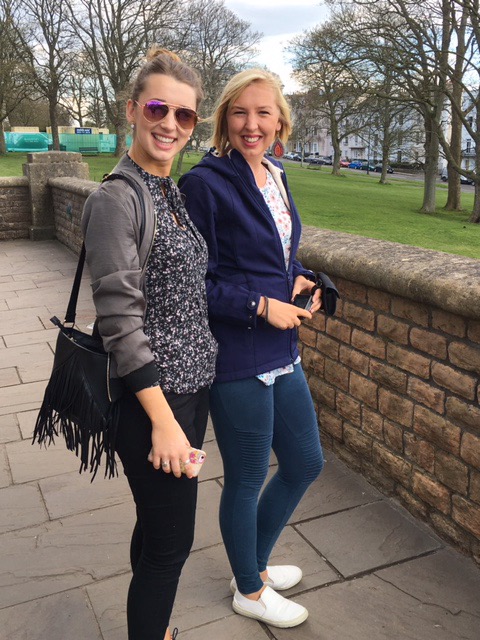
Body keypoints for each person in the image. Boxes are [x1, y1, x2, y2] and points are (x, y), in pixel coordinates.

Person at [179, 69, 324, 628]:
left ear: (280, 121)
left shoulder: (277, 174)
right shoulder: (204, 184)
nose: (252, 124)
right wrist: (262, 305)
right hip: (237, 355)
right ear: (223, 119)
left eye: (264, 112)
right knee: (245, 475)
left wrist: (300, 278)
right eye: (240, 112)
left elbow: (276, 255)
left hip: (282, 348)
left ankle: (255, 563)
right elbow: (195, 281)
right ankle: (249, 589)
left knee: (305, 462)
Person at [81, 48, 217, 640]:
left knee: (156, 529)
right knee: (170, 546)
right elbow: (119, 321)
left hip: (189, 389)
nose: (170, 124)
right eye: (159, 108)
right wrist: (164, 423)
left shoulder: (167, 188)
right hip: (154, 400)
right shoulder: (118, 197)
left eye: (184, 115)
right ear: (133, 109)